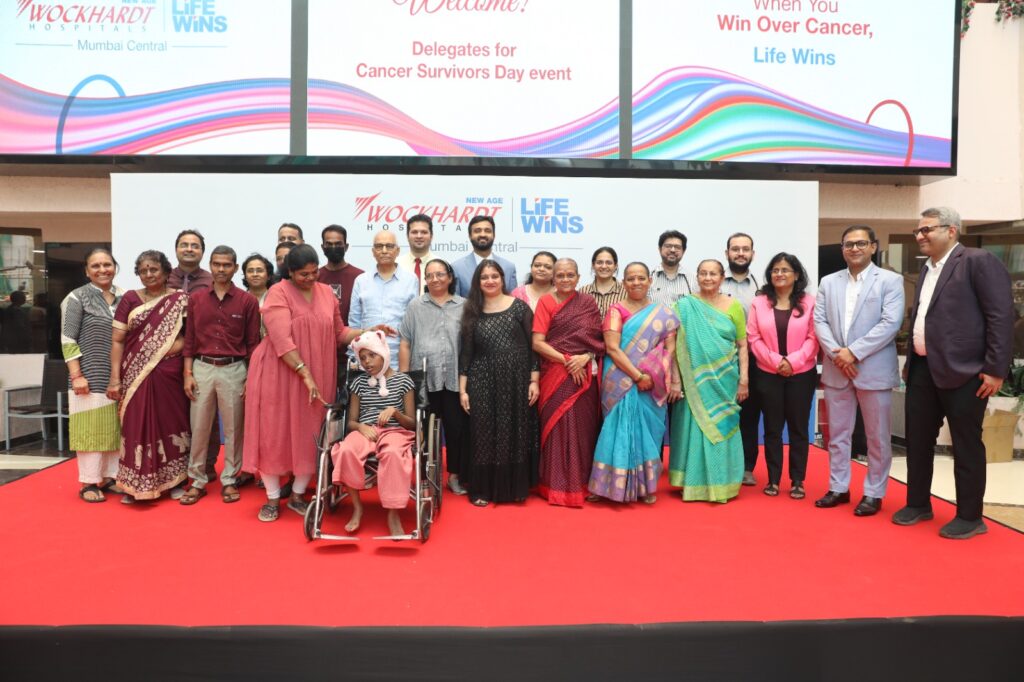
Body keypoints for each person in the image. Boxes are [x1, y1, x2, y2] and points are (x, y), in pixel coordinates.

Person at [242, 244, 392, 522]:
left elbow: (339, 332)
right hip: (279, 372)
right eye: (303, 274)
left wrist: (367, 331)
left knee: (311, 430)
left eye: (314, 273)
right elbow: (281, 341)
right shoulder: (278, 292)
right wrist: (305, 373)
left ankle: (297, 495)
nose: (310, 278)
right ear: (290, 272)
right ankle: (272, 498)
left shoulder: (326, 293)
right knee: (274, 431)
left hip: (317, 372)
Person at [894, 207, 1013, 539]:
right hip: (922, 369)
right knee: (917, 440)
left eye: (927, 229)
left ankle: (970, 517)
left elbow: (1000, 316)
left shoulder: (977, 261)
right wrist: (910, 363)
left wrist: (995, 369)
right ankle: (918, 504)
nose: (920, 236)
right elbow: (923, 319)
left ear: (951, 231)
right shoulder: (928, 269)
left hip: (967, 371)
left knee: (965, 444)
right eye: (918, 231)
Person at [814, 225, 905, 517]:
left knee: (877, 437)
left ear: (873, 247)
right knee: (838, 435)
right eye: (849, 244)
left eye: (861, 243)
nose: (854, 248)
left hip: (873, 370)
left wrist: (853, 352)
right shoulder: (828, 282)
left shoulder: (890, 281)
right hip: (837, 369)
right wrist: (838, 354)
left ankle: (874, 492)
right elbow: (819, 321)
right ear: (842, 249)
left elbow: (890, 324)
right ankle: (838, 487)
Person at [588, 262, 679, 504]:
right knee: (616, 429)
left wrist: (658, 375)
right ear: (624, 283)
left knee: (648, 432)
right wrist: (638, 376)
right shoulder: (615, 311)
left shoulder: (664, 313)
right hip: (620, 378)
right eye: (630, 279)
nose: (636, 282)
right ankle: (606, 485)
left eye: (641, 278)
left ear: (650, 280)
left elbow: (670, 349)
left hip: (653, 381)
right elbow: (612, 349)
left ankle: (645, 487)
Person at [179, 246, 262, 506]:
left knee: (235, 428)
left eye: (227, 265)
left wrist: (251, 378)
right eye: (217, 264)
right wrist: (188, 373)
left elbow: (253, 344)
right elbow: (189, 340)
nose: (221, 269)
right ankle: (197, 480)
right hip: (202, 368)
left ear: (235, 268)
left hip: (234, 369)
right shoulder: (197, 299)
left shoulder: (247, 301)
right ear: (210, 265)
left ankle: (229, 479)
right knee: (199, 427)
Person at [107, 251, 191, 503]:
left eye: (153, 269)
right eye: (143, 271)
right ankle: (134, 485)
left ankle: (175, 481)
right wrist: (114, 378)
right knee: (136, 426)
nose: (148, 274)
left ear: (166, 272)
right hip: (135, 375)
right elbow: (117, 340)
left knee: (172, 424)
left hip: (170, 374)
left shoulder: (179, 299)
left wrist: (177, 359)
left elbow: (190, 338)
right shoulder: (130, 299)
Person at [458, 259, 538, 506]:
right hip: (481, 380)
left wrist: (534, 381)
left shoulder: (520, 308)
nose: (490, 281)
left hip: (516, 380)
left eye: (495, 276)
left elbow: (533, 348)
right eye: (484, 277)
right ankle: (482, 490)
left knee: (514, 431)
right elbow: (466, 354)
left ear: (503, 279)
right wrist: (463, 390)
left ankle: (514, 488)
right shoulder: (472, 311)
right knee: (483, 433)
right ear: (477, 282)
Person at [669, 259, 748, 503]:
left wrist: (744, 380)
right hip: (693, 381)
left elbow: (742, 345)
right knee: (694, 427)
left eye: (713, 274)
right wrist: (675, 379)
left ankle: (722, 483)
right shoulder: (684, 306)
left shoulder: (734, 306)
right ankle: (691, 482)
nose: (707, 278)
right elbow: (673, 346)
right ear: (697, 277)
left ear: (722, 277)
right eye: (703, 273)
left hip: (725, 379)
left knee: (721, 425)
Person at [531, 259, 604, 507]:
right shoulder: (546, 302)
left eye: (570, 275)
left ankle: (581, 483)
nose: (565, 279)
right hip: (555, 373)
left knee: (583, 430)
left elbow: (598, 341)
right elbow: (537, 342)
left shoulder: (587, 303)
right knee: (557, 429)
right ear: (553, 278)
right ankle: (554, 485)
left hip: (584, 375)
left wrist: (586, 356)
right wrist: (567, 360)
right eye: (560, 275)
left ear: (578, 277)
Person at [747, 253, 819, 500]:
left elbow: (814, 337)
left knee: (798, 428)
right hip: (768, 373)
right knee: (772, 428)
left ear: (796, 274)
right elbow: (753, 338)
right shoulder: (759, 302)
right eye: (775, 270)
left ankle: (798, 480)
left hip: (802, 374)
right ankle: (774, 479)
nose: (779, 274)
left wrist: (793, 362)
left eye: (785, 270)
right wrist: (777, 362)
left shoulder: (810, 302)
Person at [332, 331, 416, 537]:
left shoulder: (404, 381)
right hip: (366, 430)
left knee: (393, 454)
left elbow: (412, 424)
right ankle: (357, 507)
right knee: (346, 450)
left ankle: (393, 513)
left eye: (372, 355)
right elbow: (351, 422)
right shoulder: (359, 383)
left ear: (384, 354)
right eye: (363, 358)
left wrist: (395, 412)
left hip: (395, 431)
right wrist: (361, 427)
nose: (367, 362)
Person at [398, 259, 469, 495]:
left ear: (450, 277)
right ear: (425, 280)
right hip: (423, 380)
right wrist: (404, 380)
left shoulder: (464, 306)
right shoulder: (415, 306)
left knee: (456, 429)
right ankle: (425, 476)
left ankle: (455, 476)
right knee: (424, 430)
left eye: (440, 274)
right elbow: (405, 342)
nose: (435, 279)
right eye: (429, 275)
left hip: (454, 380)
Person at [61, 248, 125, 503]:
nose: (102, 270)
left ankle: (109, 478)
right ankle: (88, 482)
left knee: (113, 429)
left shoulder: (124, 297)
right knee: (90, 429)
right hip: (89, 375)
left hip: (119, 377)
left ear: (114, 267)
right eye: (95, 266)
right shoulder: (76, 298)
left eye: (107, 264)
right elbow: (67, 338)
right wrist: (76, 374)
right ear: (87, 271)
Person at [719, 233, 762, 487]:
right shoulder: (713, 281)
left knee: (748, 415)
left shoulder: (762, 287)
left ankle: (746, 466)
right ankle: (720, 463)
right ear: (727, 253)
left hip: (753, 359)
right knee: (720, 412)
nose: (740, 253)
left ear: (752, 254)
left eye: (745, 249)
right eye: (735, 249)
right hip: (718, 360)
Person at [349, 231, 419, 370]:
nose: (384, 251)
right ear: (373, 251)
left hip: (398, 361)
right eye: (379, 246)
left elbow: (413, 325)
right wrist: (354, 359)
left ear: (397, 250)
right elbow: (354, 323)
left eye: (389, 246)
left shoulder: (411, 280)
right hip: (365, 363)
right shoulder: (361, 281)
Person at [452, 215, 518, 297]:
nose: (483, 234)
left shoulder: (509, 267)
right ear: (470, 236)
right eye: (477, 231)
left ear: (494, 235)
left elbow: (512, 300)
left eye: (487, 231)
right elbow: (455, 302)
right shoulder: (457, 268)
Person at [318, 224, 363, 325]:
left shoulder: (360, 277)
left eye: (338, 244)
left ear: (346, 247)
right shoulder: (314, 277)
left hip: (353, 333)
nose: (333, 247)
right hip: (322, 333)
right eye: (329, 244)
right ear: (322, 247)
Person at [579, 246, 627, 318]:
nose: (604, 266)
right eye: (599, 262)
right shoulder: (583, 292)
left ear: (616, 266)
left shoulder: (626, 292)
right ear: (593, 265)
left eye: (609, 263)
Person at [650, 230, 692, 307]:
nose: (672, 250)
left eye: (677, 247)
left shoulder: (693, 280)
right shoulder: (648, 278)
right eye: (668, 246)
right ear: (660, 249)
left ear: (683, 251)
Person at [397, 213, 436, 290]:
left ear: (431, 236)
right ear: (407, 236)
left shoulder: (442, 266)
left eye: (424, 232)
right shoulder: (396, 265)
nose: (419, 236)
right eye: (414, 232)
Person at [168, 229, 212, 293]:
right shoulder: (165, 278)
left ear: (202, 252)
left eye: (195, 247)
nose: (189, 249)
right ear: (176, 250)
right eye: (184, 246)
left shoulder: (212, 281)